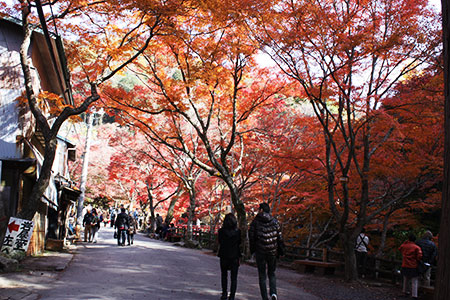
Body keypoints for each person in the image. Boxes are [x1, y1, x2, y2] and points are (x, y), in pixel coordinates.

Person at [249, 203, 284, 300]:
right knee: (272, 273)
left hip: (260, 251)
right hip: (272, 251)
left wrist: (253, 250)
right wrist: (281, 251)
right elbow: (279, 238)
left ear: (261, 210)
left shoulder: (255, 222)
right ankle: (273, 293)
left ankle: (265, 297)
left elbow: (251, 237)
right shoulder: (275, 221)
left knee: (262, 275)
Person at [218, 213, 241, 300]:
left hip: (224, 255)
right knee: (234, 277)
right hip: (234, 256)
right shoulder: (238, 232)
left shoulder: (221, 231)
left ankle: (224, 293)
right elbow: (239, 242)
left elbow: (220, 241)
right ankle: (232, 296)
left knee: (224, 275)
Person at [399, 233, 423, 300]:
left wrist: (405, 242)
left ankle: (405, 291)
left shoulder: (405, 246)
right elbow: (419, 257)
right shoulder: (416, 247)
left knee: (406, 279)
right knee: (414, 280)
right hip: (413, 265)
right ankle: (414, 295)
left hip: (405, 264)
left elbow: (400, 248)